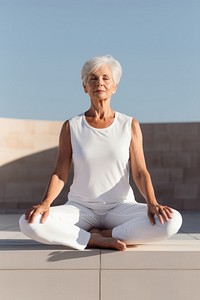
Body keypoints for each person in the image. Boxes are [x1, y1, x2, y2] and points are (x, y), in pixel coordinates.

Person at [19, 55, 182, 251]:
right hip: (81, 209)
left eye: (106, 78)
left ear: (115, 86)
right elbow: (60, 173)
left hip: (120, 207)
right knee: (29, 221)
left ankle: (106, 234)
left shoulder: (129, 125)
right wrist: (45, 203)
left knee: (172, 220)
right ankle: (94, 240)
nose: (100, 83)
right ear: (85, 87)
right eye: (93, 78)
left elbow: (140, 172)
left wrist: (152, 203)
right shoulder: (71, 126)